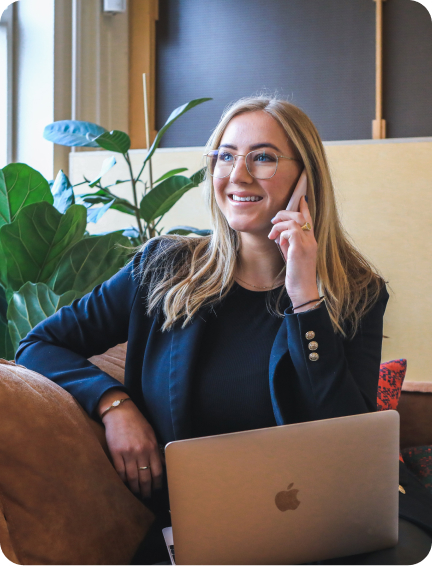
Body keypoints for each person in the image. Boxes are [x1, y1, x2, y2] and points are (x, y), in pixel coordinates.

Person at [16, 97, 431, 564]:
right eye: (225, 155)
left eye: (263, 157)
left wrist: (306, 300)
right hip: (209, 527)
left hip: (338, 515)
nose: (238, 174)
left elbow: (351, 442)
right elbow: (38, 344)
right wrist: (115, 405)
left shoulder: (356, 291)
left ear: (306, 177)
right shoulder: (161, 268)